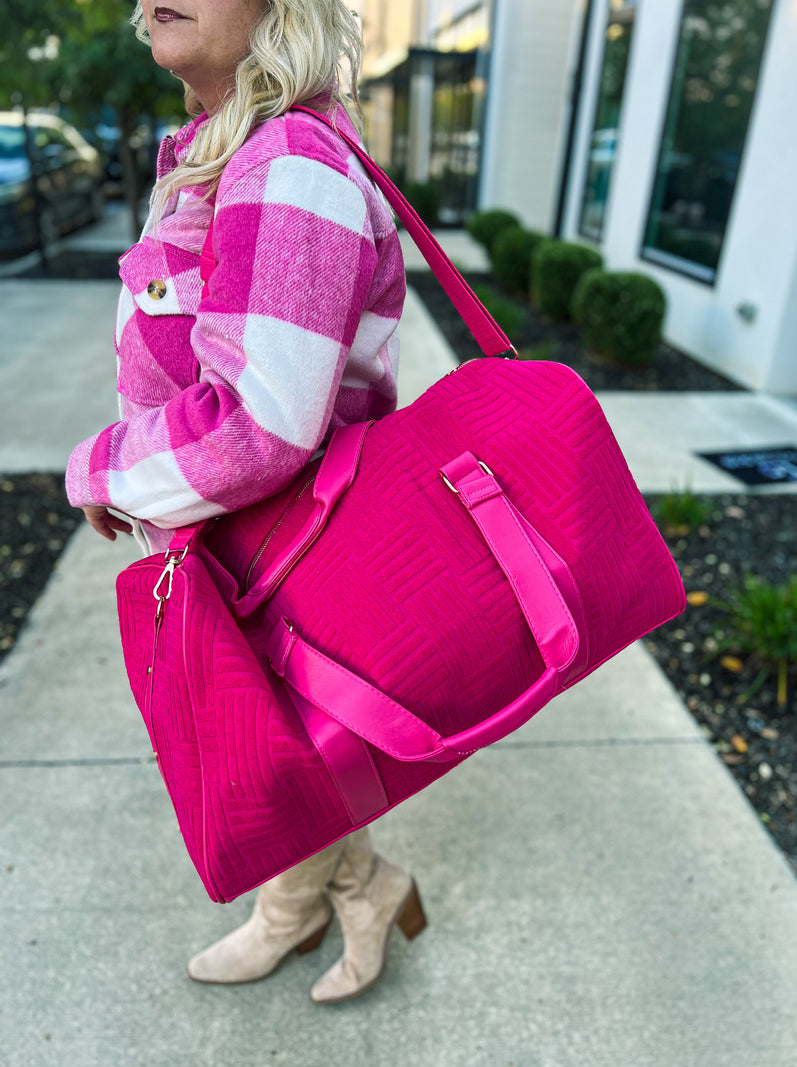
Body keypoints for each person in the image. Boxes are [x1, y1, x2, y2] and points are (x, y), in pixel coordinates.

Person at [66, 0, 426, 1005]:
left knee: (271, 750)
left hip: (290, 538)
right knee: (287, 736)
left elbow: (258, 425)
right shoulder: (223, 151)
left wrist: (99, 466)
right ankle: (351, 889)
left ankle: (306, 903)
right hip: (245, 537)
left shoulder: (286, 162)